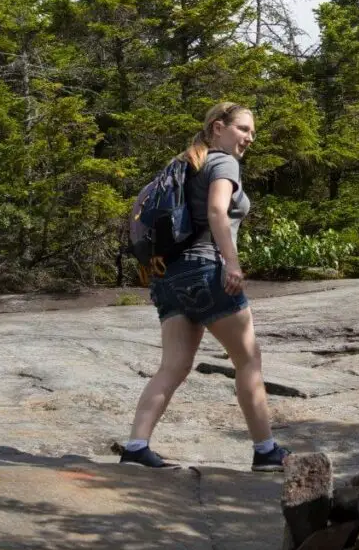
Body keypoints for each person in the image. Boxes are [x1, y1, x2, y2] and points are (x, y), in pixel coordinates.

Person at [120, 102, 290, 472]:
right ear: (217, 127)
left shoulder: (183, 163)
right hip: (204, 268)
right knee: (248, 360)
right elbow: (217, 212)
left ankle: (136, 446)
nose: (249, 138)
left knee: (174, 366)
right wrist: (232, 262)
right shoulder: (223, 162)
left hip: (167, 276)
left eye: (252, 132)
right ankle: (266, 451)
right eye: (243, 129)